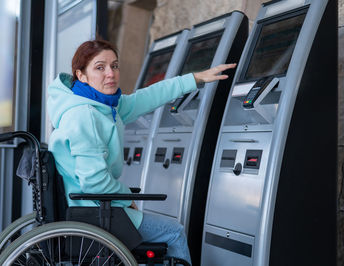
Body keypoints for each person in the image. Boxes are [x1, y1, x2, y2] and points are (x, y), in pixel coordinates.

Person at [47, 39, 236, 265]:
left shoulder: (103, 107)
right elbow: (94, 183)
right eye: (100, 67)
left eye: (114, 65)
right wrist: (126, 199)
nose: (110, 73)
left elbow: (147, 97)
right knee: (174, 232)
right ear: (81, 75)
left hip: (90, 208)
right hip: (94, 213)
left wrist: (194, 79)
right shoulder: (85, 116)